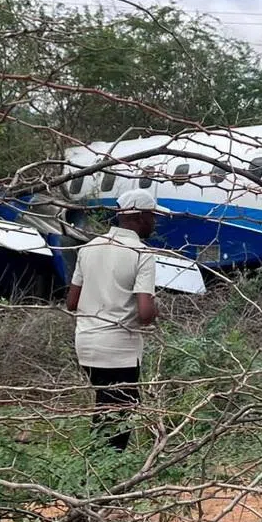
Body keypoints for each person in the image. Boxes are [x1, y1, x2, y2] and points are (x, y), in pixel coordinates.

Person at [65, 188, 160, 451]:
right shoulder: (142, 254)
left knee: (106, 405)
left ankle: (95, 469)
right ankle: (107, 474)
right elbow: (144, 315)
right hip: (119, 350)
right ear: (139, 217)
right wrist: (154, 308)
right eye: (152, 216)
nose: (155, 222)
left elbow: (72, 303)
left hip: (86, 344)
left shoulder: (88, 248)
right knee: (120, 414)